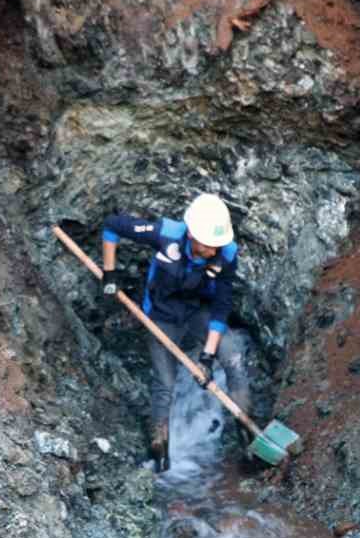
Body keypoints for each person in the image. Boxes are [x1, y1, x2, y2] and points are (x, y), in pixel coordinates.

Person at [99, 193, 251, 471]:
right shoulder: (166, 235)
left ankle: (247, 433)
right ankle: (160, 454)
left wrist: (207, 356)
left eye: (218, 245)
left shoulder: (226, 254)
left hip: (197, 311)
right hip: (161, 314)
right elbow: (111, 225)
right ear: (192, 235)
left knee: (233, 355)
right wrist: (110, 273)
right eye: (209, 245)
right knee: (165, 384)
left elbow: (221, 306)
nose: (214, 251)